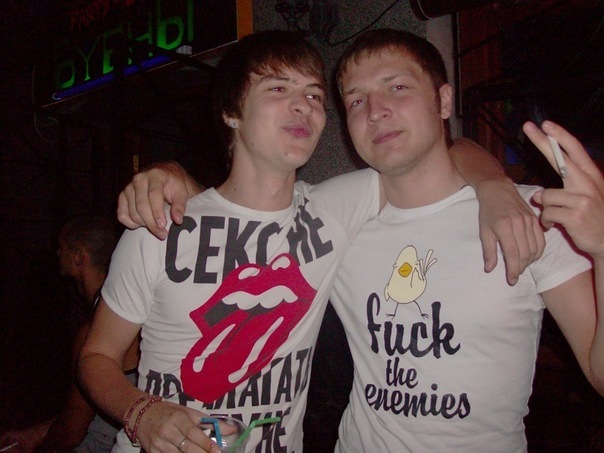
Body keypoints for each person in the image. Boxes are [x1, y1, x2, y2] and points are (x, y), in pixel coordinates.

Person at [79, 31, 543, 453]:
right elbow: (97, 356)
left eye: (314, 95)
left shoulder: (335, 208)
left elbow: (439, 150)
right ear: (232, 112)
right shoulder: (160, 228)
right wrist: (141, 413)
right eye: (278, 89)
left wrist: (494, 185)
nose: (303, 105)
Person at [326, 29, 604, 451]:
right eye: (356, 101)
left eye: (397, 87)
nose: (376, 111)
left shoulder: (534, 216)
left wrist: (603, 247)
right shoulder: (337, 220)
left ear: (443, 101)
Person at [1, 216, 140, 452]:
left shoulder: (96, 332)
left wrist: (40, 448)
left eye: (62, 247)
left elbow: (72, 433)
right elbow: (81, 413)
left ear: (78, 256)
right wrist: (32, 435)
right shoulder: (126, 313)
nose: (57, 253)